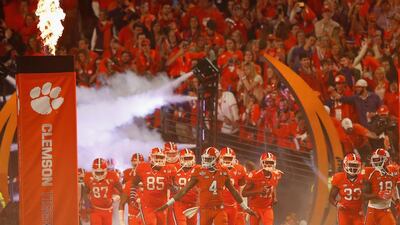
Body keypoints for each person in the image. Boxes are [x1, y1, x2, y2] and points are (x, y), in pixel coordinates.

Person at [156, 147, 255, 225]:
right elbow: (183, 191)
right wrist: (167, 204)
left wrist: (245, 208)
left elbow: (234, 191)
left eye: (208, 159)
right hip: (205, 209)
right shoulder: (199, 171)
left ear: (216, 159)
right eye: (205, 159)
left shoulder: (224, 171)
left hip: (219, 208)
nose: (205, 161)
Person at [130, 147, 175, 225]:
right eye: (157, 157)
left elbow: (174, 187)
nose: (159, 159)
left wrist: (173, 187)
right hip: (148, 206)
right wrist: (133, 197)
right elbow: (134, 183)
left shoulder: (169, 169)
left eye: (161, 157)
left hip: (162, 205)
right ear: (151, 157)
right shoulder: (143, 167)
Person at [242, 152, 283, 225]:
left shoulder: (276, 174)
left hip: (267, 207)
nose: (269, 165)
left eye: (271, 162)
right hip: (255, 207)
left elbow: (273, 186)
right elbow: (244, 193)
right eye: (267, 162)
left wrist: (274, 197)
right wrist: (258, 191)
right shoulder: (255, 175)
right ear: (262, 163)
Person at [363, 148, 400, 225]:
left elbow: (394, 187)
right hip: (372, 210)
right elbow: (363, 196)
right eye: (374, 160)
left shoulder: (393, 170)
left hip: (386, 210)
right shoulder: (370, 172)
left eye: (378, 159)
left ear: (386, 160)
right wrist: (377, 195)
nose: (375, 162)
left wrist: (397, 201)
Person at [83, 158, 122, 225]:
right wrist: (87, 206)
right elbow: (85, 192)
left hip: (108, 210)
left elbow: (122, 192)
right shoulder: (88, 176)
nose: (99, 175)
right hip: (95, 209)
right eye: (97, 172)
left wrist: (114, 199)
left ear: (106, 170)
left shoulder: (113, 175)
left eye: (101, 172)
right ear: (93, 171)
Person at [329, 153, 363, 225]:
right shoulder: (339, 178)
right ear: (345, 165)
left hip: (358, 212)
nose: (353, 168)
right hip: (344, 213)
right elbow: (331, 197)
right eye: (351, 165)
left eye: (355, 165)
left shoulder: (363, 178)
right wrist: (337, 204)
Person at [219, 147, 247, 225]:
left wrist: (244, 206)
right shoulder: (215, 168)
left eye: (229, 158)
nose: (227, 160)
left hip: (234, 204)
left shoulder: (240, 169)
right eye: (225, 158)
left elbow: (242, 188)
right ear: (220, 158)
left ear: (234, 159)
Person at [172, 149, 198, 225]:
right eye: (185, 158)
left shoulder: (198, 169)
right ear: (180, 159)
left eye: (189, 158)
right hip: (180, 204)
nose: (188, 161)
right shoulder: (174, 169)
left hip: (193, 203)